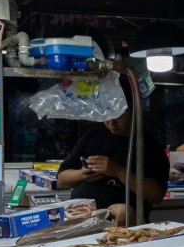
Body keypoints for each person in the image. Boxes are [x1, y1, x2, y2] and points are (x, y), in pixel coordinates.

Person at [56, 75, 169, 225]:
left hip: (121, 222)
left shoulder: (150, 148)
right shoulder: (93, 136)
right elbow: (61, 179)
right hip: (79, 214)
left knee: (121, 212)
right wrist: (82, 174)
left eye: (118, 115)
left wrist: (118, 171)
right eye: (106, 114)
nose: (111, 122)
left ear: (134, 110)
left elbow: (156, 195)